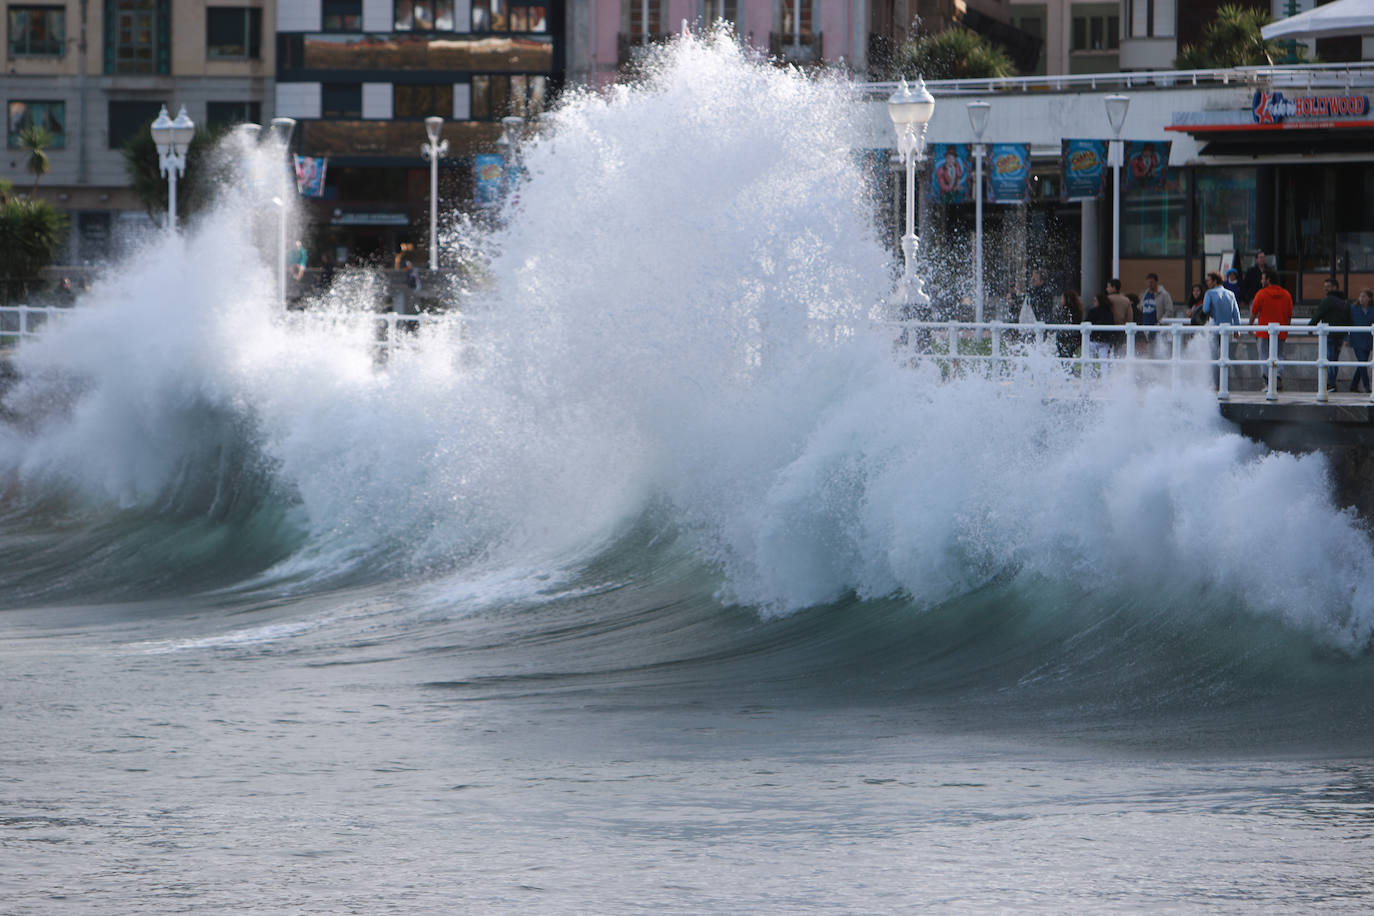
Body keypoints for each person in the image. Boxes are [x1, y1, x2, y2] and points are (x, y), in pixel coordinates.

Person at [1249, 268, 1294, 390]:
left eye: (1263, 278)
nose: (1261, 281)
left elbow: (1254, 312)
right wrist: (1286, 329)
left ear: (1268, 280)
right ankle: (1278, 376)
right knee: (1279, 355)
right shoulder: (1286, 295)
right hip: (1280, 331)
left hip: (1264, 331)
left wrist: (1250, 326)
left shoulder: (1261, 294)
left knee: (1264, 355)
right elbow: (1289, 314)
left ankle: (1268, 380)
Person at [1201, 270, 1241, 389]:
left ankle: (1215, 384)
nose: (1207, 283)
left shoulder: (1209, 293)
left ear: (1214, 281)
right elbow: (1236, 313)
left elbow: (1205, 309)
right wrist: (1236, 330)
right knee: (1225, 358)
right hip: (1227, 331)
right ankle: (1225, 383)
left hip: (1214, 330)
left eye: (1208, 280)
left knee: (1214, 358)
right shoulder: (1230, 294)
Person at [1310, 276, 1350, 391]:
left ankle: (1330, 383)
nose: (1325, 289)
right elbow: (1349, 320)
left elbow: (1318, 315)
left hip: (1330, 334)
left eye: (1328, 287)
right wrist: (1347, 336)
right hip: (1340, 335)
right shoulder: (1345, 302)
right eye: (1325, 287)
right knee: (1334, 359)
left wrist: (1310, 327)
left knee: (1329, 358)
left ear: (1334, 287)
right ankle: (1332, 383)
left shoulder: (1327, 301)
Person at [1350, 288, 1374, 394]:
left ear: (1369, 298)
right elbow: (1348, 323)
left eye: (1364, 296)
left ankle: (1353, 385)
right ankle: (1366, 386)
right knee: (1363, 362)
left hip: (1368, 340)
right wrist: (1347, 338)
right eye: (1360, 296)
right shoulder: (1353, 309)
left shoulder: (1372, 310)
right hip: (1357, 339)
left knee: (1362, 363)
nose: (1361, 299)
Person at [1086, 291, 1116, 374]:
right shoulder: (1109, 312)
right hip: (1105, 340)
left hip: (1093, 339)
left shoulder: (1092, 311)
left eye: (1095, 300)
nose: (1093, 302)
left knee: (1089, 359)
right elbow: (1112, 326)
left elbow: (1086, 323)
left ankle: (1089, 376)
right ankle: (1104, 380)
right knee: (1104, 361)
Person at [1054, 289, 1084, 360]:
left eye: (1062, 298)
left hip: (1065, 338)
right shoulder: (1077, 310)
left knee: (1063, 356)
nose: (1060, 301)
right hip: (1074, 337)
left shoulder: (1064, 311)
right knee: (1069, 356)